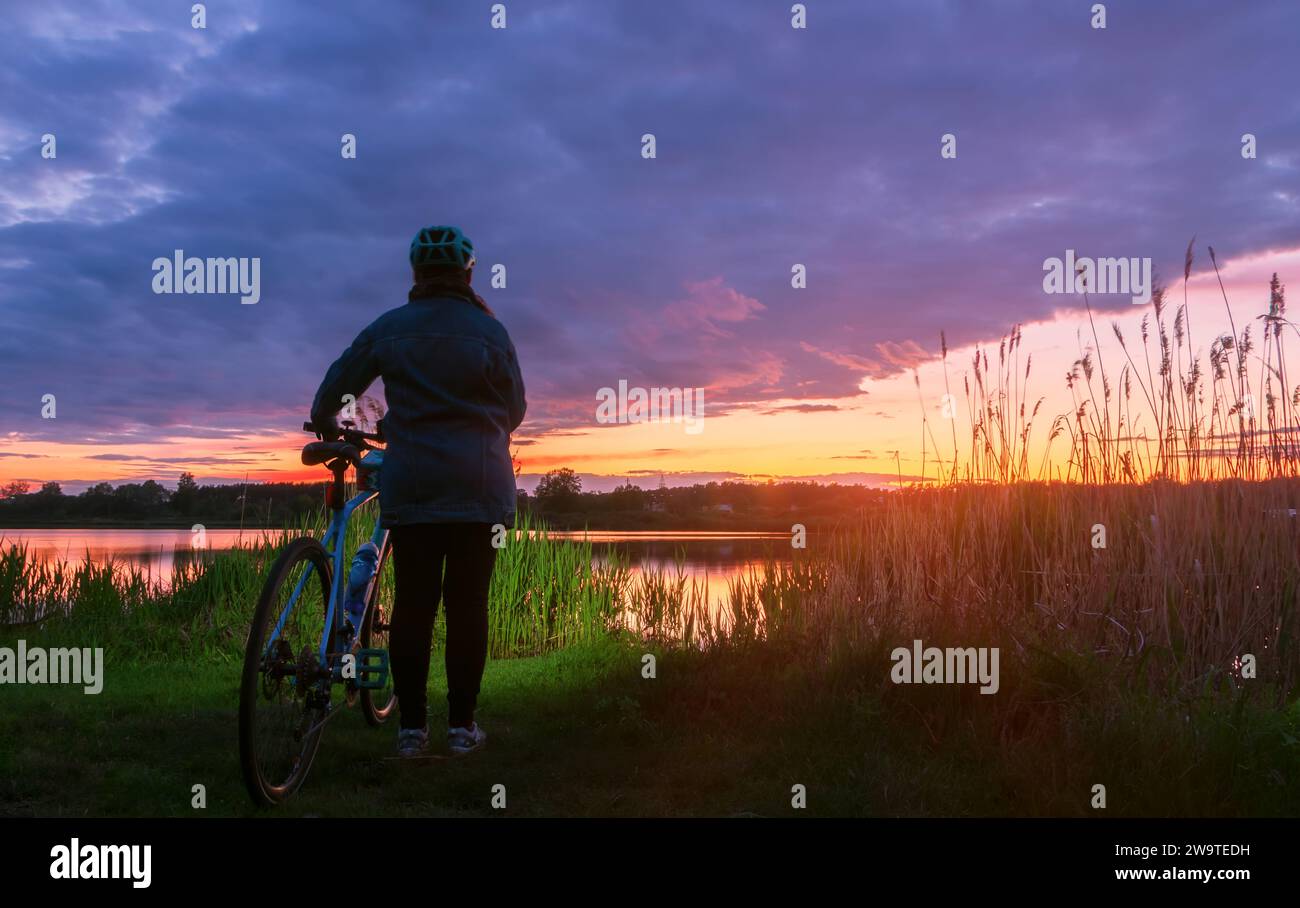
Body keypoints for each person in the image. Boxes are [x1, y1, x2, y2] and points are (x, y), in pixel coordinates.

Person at [309, 225, 526, 757]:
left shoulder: (390, 328)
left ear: (416, 273)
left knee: (413, 605)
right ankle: (461, 729)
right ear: (467, 273)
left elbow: (337, 389)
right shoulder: (490, 333)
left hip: (414, 482)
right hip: (481, 487)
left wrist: (327, 421)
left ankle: (410, 731)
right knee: (469, 605)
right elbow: (515, 408)